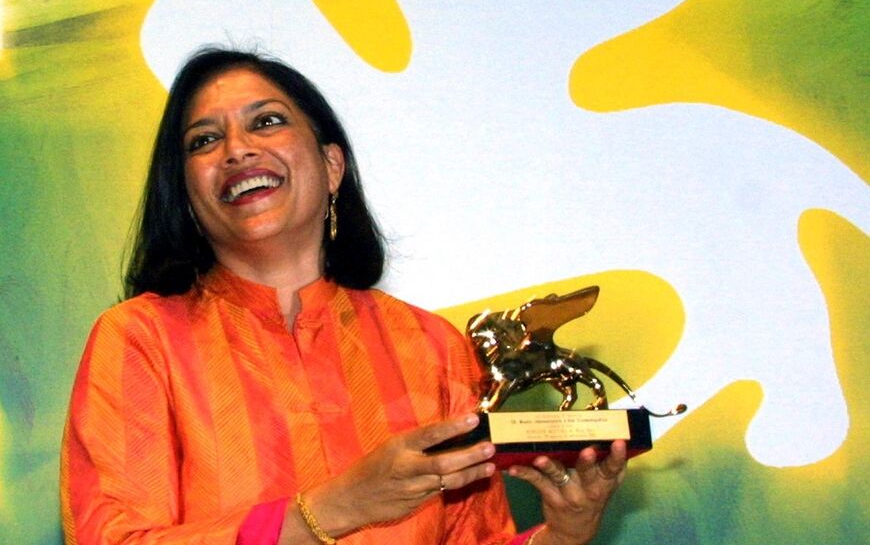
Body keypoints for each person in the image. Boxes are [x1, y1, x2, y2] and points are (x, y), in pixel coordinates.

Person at [61, 48, 627, 544]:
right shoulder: (140, 338)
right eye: (204, 140)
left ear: (332, 167)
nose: (236, 150)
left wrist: (562, 535)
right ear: (185, 193)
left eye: (267, 122)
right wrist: (332, 510)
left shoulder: (432, 347)